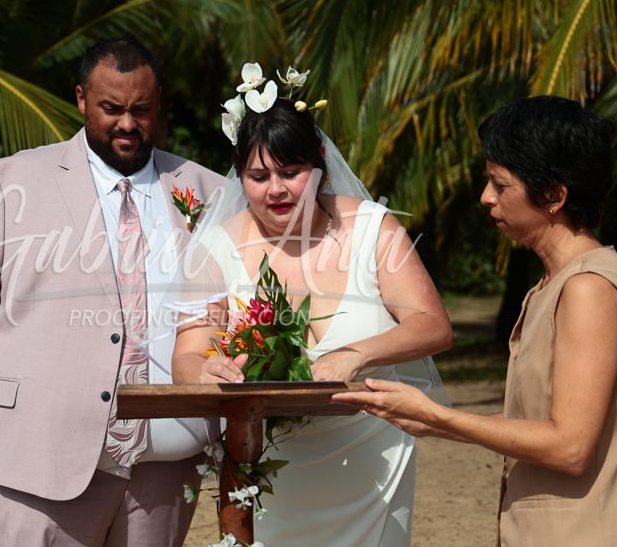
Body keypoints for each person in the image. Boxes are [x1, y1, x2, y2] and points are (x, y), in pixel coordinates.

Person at [0, 37, 224, 546]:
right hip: (39, 446)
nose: (127, 123)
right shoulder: (9, 180)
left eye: (141, 109)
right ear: (81, 99)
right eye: (111, 108)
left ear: (159, 102)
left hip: (164, 459)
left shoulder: (209, 190)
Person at [333, 95, 617, 546]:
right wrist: (435, 423)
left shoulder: (588, 287)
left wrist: (439, 416)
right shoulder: (553, 283)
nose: (485, 197)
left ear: (554, 196)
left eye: (500, 184)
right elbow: (536, 421)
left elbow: (570, 446)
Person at [171, 67, 452, 545]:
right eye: (258, 176)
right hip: (270, 473)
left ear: (320, 161)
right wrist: (206, 370)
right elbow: (187, 356)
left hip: (373, 463)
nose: (275, 189)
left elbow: (433, 326)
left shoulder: (373, 229)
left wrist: (358, 353)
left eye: (290, 172)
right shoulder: (215, 249)